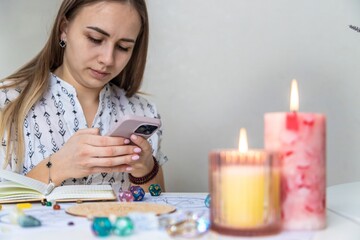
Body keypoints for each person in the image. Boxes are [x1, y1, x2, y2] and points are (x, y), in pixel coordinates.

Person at [0, 0, 167, 192]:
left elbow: (160, 208)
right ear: (64, 29)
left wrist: (146, 169)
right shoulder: (7, 103)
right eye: (95, 39)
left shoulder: (143, 112)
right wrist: (56, 167)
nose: (107, 59)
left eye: (123, 47)